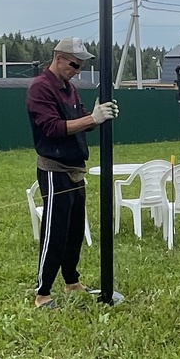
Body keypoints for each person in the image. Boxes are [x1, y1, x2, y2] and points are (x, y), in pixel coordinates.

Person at [26, 37, 118, 309]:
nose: (77, 70)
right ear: (58, 58)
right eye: (74, 64)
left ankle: (71, 281)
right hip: (55, 170)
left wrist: (98, 115)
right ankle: (42, 293)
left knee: (75, 229)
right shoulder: (40, 88)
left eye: (80, 66)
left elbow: (80, 119)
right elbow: (53, 128)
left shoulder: (69, 88)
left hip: (75, 168)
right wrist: (92, 119)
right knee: (55, 231)